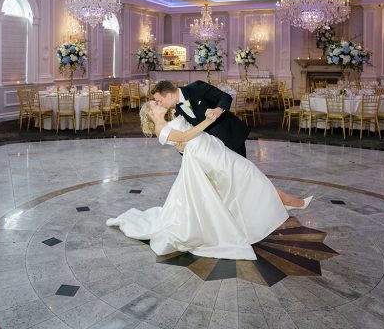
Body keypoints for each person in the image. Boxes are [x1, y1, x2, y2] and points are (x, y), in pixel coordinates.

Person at [107, 101, 312, 261]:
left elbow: (183, 139)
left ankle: (280, 205)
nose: (159, 104)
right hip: (209, 158)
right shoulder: (160, 130)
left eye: (157, 102)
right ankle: (290, 203)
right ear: (150, 114)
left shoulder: (169, 121)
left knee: (245, 180)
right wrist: (209, 120)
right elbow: (186, 135)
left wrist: (185, 140)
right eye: (155, 105)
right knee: (249, 175)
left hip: (211, 150)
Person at [150, 80, 249, 157]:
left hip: (230, 136)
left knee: (241, 173)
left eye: (159, 100)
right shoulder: (178, 112)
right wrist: (181, 150)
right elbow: (190, 134)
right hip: (213, 149)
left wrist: (218, 110)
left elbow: (225, 97)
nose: (159, 104)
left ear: (169, 95)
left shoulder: (196, 87)